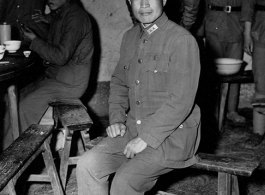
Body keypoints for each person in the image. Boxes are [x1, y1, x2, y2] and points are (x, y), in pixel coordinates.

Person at [76, 0, 201, 194]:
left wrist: (146, 137)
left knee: (124, 181)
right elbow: (119, 82)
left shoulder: (181, 40)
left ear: (165, 0)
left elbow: (181, 101)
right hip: (134, 128)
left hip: (172, 136)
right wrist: (117, 118)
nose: (144, 4)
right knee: (87, 165)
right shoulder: (130, 37)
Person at [2, 0, 94, 150]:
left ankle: (15, 158)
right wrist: (47, 20)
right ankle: (6, 151)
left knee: (23, 109)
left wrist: (34, 40)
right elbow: (59, 31)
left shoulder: (76, 17)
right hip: (55, 77)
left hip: (69, 84)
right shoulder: (62, 12)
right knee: (14, 99)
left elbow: (60, 56)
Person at [199, 0, 247, 124]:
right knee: (213, 73)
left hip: (236, 25)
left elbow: (248, 5)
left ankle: (232, 111)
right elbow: (200, 5)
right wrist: (200, 31)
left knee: (234, 72)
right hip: (213, 24)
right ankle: (213, 111)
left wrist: (247, 30)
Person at [240, 0, 265, 148]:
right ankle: (258, 131)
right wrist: (247, 34)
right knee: (261, 82)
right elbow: (249, 6)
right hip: (261, 29)